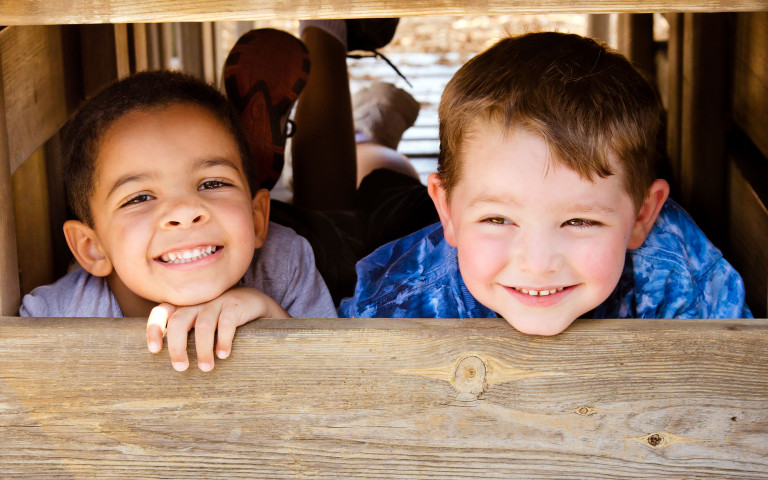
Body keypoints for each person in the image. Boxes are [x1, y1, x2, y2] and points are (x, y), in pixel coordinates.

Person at [339, 31, 752, 332]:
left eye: (580, 222)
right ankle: (372, 132)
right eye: (498, 219)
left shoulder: (680, 273)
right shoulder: (398, 298)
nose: (538, 264)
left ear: (643, 214)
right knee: (378, 172)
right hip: (399, 217)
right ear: (446, 208)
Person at [18, 69, 337, 371]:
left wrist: (274, 318)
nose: (185, 212)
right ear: (92, 248)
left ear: (256, 220)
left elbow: (340, 389)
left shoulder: (284, 264)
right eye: (139, 198)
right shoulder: (54, 320)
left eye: (212, 183)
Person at [223, 22, 439, 305]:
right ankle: (367, 129)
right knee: (381, 198)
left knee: (373, 204)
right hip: (416, 243)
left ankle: (366, 128)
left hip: (338, 249)